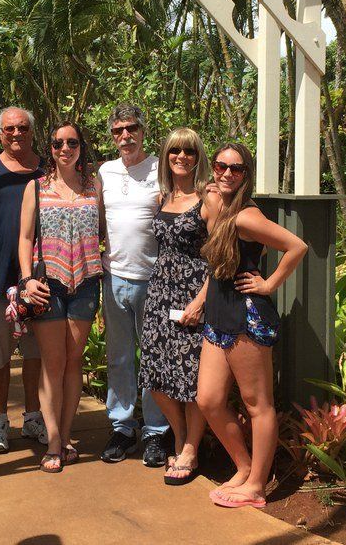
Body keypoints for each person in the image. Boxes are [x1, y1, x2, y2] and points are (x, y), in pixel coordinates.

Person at [196, 143, 308, 508]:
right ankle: (244, 467)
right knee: (209, 399)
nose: (227, 173)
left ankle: (257, 485)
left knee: (257, 404)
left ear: (247, 174)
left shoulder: (246, 217)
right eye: (221, 166)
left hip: (246, 316)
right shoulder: (218, 204)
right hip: (218, 314)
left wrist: (269, 284)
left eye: (236, 169)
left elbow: (297, 246)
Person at [18, 122, 103, 473]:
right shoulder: (36, 188)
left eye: (72, 142)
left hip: (86, 281)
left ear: (81, 146)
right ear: (50, 148)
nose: (65, 148)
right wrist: (26, 280)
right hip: (48, 284)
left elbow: (105, 230)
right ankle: (53, 440)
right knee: (52, 363)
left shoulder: (94, 186)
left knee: (73, 360)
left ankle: (66, 436)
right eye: (58, 143)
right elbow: (25, 237)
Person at [138, 128, 213, 485]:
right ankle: (180, 437)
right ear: (166, 156)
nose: (181, 157)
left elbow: (222, 254)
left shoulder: (208, 198)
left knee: (191, 373)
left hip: (193, 293)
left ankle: (191, 449)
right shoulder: (163, 197)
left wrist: (201, 300)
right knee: (155, 371)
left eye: (189, 151)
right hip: (159, 293)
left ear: (198, 157)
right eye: (174, 151)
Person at [96, 103, 170, 467]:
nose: (125, 136)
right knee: (120, 357)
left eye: (131, 129)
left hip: (153, 279)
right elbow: (96, 218)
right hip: (114, 277)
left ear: (143, 131)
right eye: (118, 131)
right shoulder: (105, 171)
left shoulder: (162, 169)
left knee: (154, 357)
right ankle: (122, 428)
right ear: (112, 136)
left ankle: (156, 432)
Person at [0, 107, 46, 454]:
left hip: (40, 281)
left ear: (32, 131)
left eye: (22, 128)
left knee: (35, 353)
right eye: (9, 129)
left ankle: (33, 416)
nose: (16, 134)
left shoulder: (48, 171)